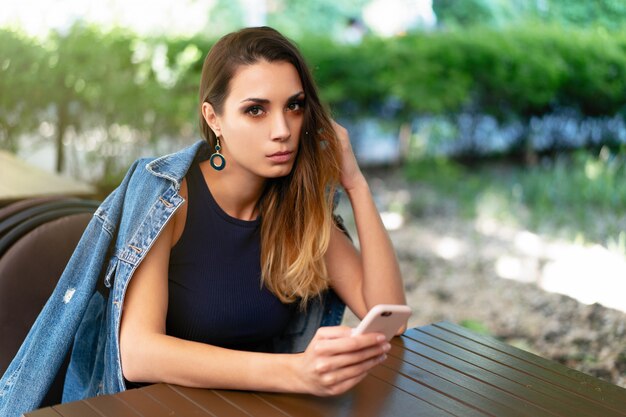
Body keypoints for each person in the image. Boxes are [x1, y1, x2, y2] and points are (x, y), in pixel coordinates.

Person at [0, 26, 406, 416]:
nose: (282, 130)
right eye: (255, 110)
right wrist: (294, 373)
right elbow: (138, 354)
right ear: (214, 118)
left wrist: (355, 183)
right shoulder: (168, 196)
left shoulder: (297, 204)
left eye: (294, 106)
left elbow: (386, 314)